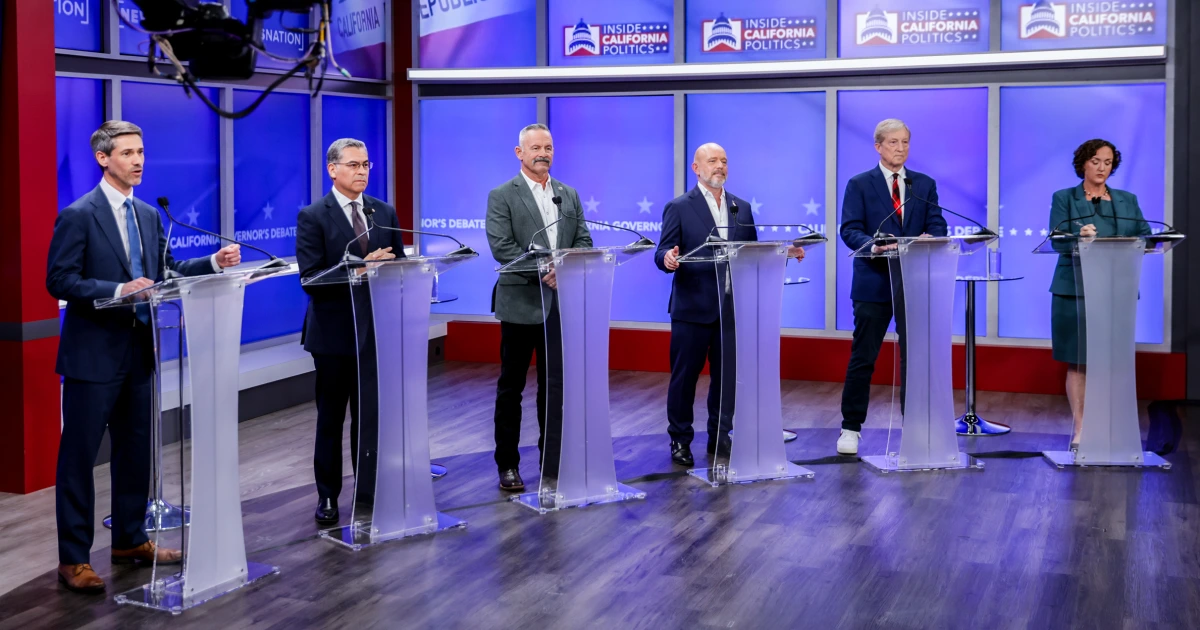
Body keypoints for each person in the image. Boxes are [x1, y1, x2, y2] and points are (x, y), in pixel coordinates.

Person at [47, 120, 241, 593]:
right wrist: (118, 289)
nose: (138, 161)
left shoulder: (149, 215)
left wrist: (212, 263)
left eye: (141, 152)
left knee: (136, 453)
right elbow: (60, 279)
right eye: (127, 153)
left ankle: (130, 540)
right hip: (93, 357)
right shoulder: (78, 215)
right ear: (103, 158)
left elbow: (165, 271)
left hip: (139, 351)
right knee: (79, 459)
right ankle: (74, 559)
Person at [656, 143, 802, 467]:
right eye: (712, 161)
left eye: (723, 161)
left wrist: (784, 254)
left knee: (726, 379)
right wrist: (667, 258)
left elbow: (752, 254)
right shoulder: (678, 207)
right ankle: (680, 440)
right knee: (684, 380)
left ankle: (720, 436)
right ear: (696, 168)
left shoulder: (741, 207)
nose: (719, 166)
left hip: (732, 309)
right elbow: (662, 251)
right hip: (692, 309)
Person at [296, 138, 406, 526]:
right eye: (354, 165)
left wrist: (393, 270)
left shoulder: (382, 211)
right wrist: (360, 269)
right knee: (331, 420)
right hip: (333, 335)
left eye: (366, 165)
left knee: (369, 417)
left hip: (375, 332)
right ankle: (327, 496)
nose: (362, 171)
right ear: (333, 170)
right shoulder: (313, 216)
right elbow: (310, 279)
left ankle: (369, 489)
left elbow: (399, 264)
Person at [485, 123, 592, 492]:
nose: (543, 153)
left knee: (555, 388)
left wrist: (566, 268)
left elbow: (583, 240)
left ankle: (554, 460)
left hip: (560, 306)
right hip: (520, 304)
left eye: (548, 147)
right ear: (520, 153)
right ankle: (508, 465)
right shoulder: (502, 195)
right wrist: (547, 269)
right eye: (535, 148)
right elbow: (502, 247)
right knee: (511, 389)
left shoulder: (568, 194)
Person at [836, 119, 947, 456]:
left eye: (905, 142)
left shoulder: (922, 184)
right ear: (878, 146)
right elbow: (849, 229)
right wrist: (873, 244)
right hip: (873, 282)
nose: (901, 148)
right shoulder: (860, 184)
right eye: (894, 142)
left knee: (916, 358)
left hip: (914, 282)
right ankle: (850, 428)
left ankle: (914, 426)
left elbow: (937, 225)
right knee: (863, 357)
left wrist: (931, 238)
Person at [1048, 139, 1151, 449]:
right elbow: (1056, 239)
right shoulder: (1064, 198)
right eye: (1096, 161)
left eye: (1108, 162)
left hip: (1116, 289)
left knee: (1112, 362)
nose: (1102, 168)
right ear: (1083, 163)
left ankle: (1109, 426)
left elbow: (1145, 236)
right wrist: (1077, 237)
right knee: (1079, 361)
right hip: (1075, 290)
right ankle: (1081, 429)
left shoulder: (1127, 200)